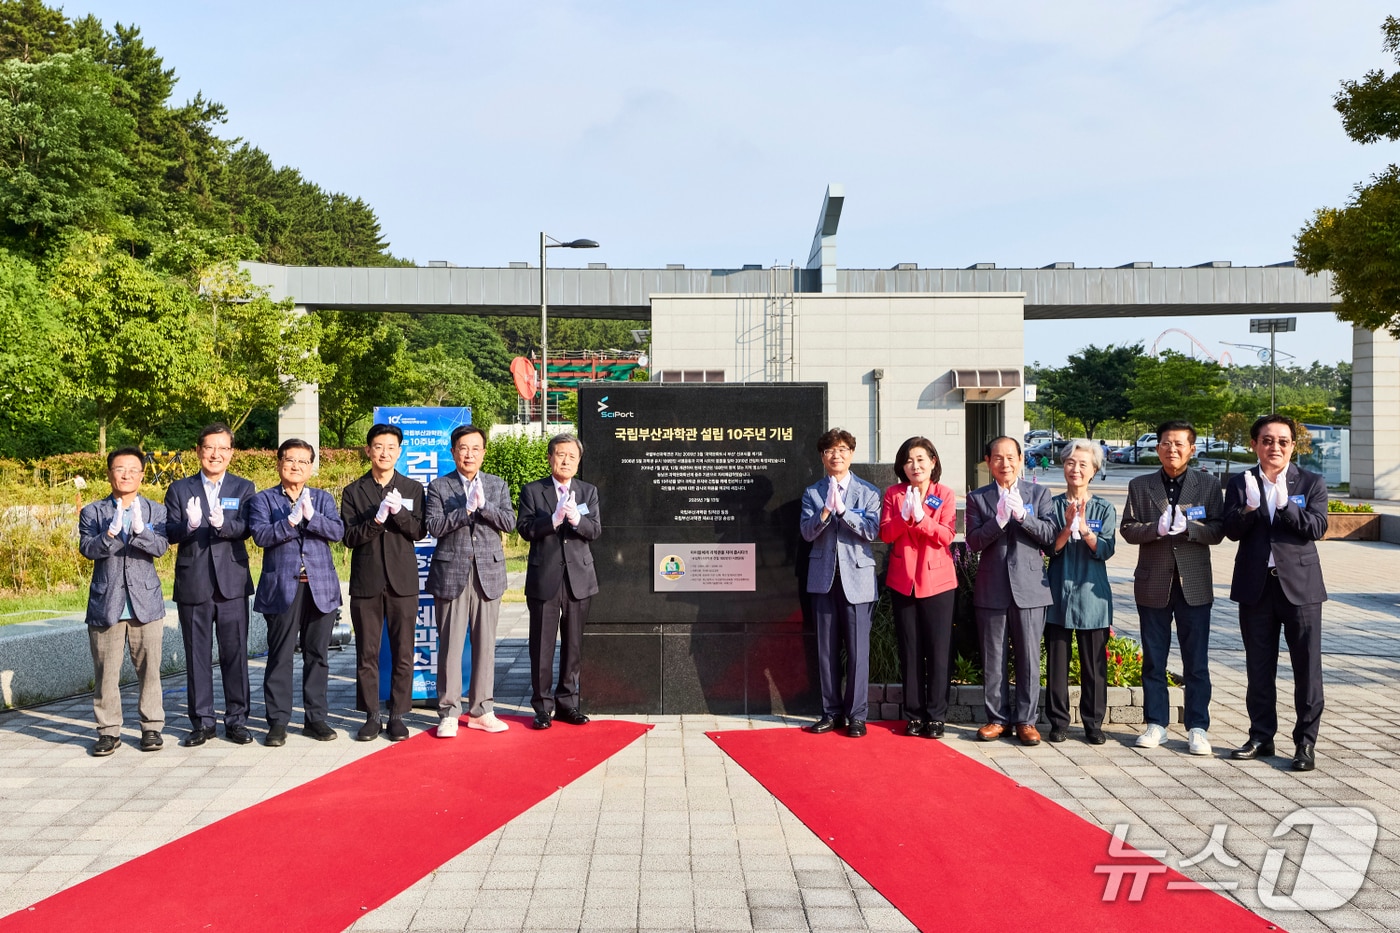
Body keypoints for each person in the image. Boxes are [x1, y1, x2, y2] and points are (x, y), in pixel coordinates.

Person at [1223, 414, 1329, 772]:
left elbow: (1317, 527)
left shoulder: (1311, 482)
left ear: (1293, 446)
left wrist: (1286, 506)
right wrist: (1250, 509)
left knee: (1307, 669)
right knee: (1259, 667)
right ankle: (1261, 735)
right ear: (1255, 444)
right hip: (1256, 588)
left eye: (1283, 441)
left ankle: (1305, 743)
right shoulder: (1241, 482)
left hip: (1300, 589)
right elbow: (1231, 530)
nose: (1275, 447)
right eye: (1267, 440)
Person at [1120, 421, 1224, 756]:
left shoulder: (1207, 485)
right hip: (1154, 581)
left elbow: (1219, 529)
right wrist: (1156, 529)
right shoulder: (1141, 485)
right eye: (1166, 443)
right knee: (1154, 658)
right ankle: (1156, 724)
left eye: (1179, 444)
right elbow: (1128, 528)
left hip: (1194, 582)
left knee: (1196, 661)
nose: (1172, 449)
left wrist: (1191, 528)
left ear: (1192, 448)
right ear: (1157, 447)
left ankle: (1198, 727)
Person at [163, 423, 256, 748]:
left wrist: (224, 525)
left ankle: (237, 720)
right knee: (197, 656)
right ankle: (202, 722)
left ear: (231, 452)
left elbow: (248, 528)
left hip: (231, 582)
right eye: (209, 448)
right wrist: (189, 525)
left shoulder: (244, 487)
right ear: (198, 451)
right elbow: (170, 532)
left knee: (236, 654)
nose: (215, 454)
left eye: (222, 448)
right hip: (194, 582)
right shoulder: (179, 488)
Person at [248, 439, 345, 746]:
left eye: (303, 462)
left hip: (321, 588)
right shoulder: (263, 500)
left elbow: (338, 532)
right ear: (279, 464)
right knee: (280, 656)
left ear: (311, 468)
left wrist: (311, 517)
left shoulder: (323, 498)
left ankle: (315, 718)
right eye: (290, 460)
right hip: (281, 589)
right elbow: (261, 536)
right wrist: (290, 522)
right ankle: (277, 721)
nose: (296, 466)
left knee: (318, 655)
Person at [77, 448, 169, 757]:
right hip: (107, 602)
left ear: (143, 474)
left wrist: (141, 531)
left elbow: (161, 548)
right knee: (106, 672)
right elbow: (88, 549)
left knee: (150, 669)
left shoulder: (155, 510)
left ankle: (152, 726)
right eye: (120, 469)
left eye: (133, 469)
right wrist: (111, 534)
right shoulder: (94, 512)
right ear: (109, 474)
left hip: (146, 601)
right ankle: (108, 731)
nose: (126, 474)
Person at [425, 425, 516, 737]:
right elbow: (434, 526)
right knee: (450, 645)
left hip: (488, 573)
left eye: (476, 448)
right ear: (453, 452)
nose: (469, 454)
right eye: (463, 448)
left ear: (484, 452)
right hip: (451, 573)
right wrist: (464, 510)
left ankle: (482, 709)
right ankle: (449, 711)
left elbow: (510, 522)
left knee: (486, 645)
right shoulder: (439, 486)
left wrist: (484, 507)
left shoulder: (496, 484)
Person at [965, 436, 1056, 746]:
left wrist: (1023, 517)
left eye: (1010, 457)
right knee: (994, 657)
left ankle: (1026, 721)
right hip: (992, 588)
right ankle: (996, 719)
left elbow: (1049, 535)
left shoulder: (1040, 494)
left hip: (1030, 589)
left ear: (1021, 459)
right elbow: (974, 542)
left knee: (1029, 658)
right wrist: (1000, 519)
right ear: (988, 463)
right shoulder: (978, 498)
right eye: (997, 458)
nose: (1005, 463)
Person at [342, 423, 425, 742]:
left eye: (391, 447)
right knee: (367, 652)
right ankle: (371, 715)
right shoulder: (353, 491)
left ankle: (397, 715)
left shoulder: (413, 488)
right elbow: (349, 537)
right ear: (368, 450)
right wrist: (377, 520)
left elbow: (418, 531)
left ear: (399, 451)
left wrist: (399, 514)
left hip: (403, 581)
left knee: (404, 650)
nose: (385, 452)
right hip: (367, 581)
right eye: (378, 446)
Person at [799, 428, 882, 738]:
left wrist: (845, 511)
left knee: (858, 651)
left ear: (851, 454)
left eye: (843, 449)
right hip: (823, 579)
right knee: (826, 650)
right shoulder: (813, 492)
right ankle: (831, 712)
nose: (837, 455)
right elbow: (807, 533)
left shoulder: (868, 492)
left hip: (857, 580)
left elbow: (872, 532)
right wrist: (825, 511)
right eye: (831, 450)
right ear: (823, 457)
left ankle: (857, 715)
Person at [517, 433, 601, 729]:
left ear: (578, 462)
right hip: (545, 577)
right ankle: (542, 707)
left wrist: (576, 520)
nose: (565, 460)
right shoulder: (533, 491)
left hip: (579, 578)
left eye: (572, 456)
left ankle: (569, 703)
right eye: (560, 454)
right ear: (550, 457)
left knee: (574, 645)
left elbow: (594, 531)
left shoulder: (587, 491)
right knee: (541, 644)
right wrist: (553, 520)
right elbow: (525, 529)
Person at [878, 436, 957, 738]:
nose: (915, 465)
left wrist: (922, 519)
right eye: (909, 460)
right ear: (902, 466)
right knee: (910, 650)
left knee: (938, 650)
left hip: (938, 582)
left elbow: (947, 536)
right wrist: (904, 516)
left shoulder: (944, 494)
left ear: (933, 462)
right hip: (903, 581)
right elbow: (885, 533)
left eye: (921, 459)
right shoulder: (894, 494)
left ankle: (936, 716)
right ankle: (913, 714)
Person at [1045, 439, 1117, 745]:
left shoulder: (1104, 507)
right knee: (1057, 665)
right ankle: (1059, 722)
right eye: (1070, 463)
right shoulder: (1052, 505)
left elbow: (1106, 549)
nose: (1075, 469)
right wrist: (1066, 528)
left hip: (1092, 596)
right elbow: (1049, 547)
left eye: (1083, 464)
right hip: (1058, 595)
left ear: (1094, 470)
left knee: (1094, 666)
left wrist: (1085, 529)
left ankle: (1093, 723)